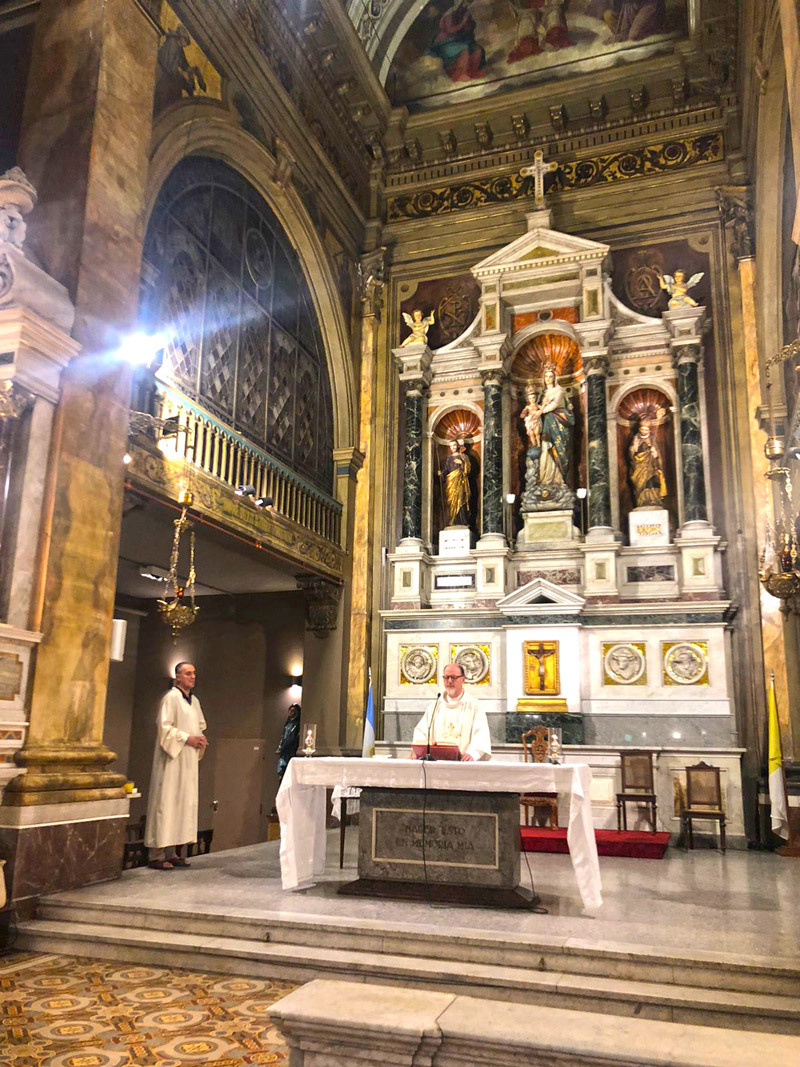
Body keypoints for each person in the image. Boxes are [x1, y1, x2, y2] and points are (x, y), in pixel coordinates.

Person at [144, 661, 208, 870]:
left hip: (187, 761)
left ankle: (172, 852)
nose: (193, 677)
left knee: (182, 802)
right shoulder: (170, 698)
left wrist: (200, 739)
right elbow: (165, 728)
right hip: (172, 761)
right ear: (177, 677)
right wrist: (188, 738)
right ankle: (156, 854)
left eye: (194, 673)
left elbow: (199, 726)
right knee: (167, 802)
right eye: (188, 673)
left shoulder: (194, 701)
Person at [412, 663, 491, 761]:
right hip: (437, 764)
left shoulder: (474, 705)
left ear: (463, 679)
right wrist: (419, 751)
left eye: (453, 677)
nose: (449, 681)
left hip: (464, 764)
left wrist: (472, 753)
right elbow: (421, 732)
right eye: (446, 677)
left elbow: (481, 734)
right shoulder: (435, 706)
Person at [628, 420, 667, 507]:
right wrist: (633, 450)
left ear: (649, 430)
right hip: (639, 467)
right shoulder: (636, 439)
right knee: (640, 484)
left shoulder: (652, 439)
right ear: (639, 429)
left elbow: (658, 455)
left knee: (652, 482)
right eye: (642, 429)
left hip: (651, 467)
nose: (644, 431)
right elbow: (631, 454)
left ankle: (654, 500)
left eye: (646, 430)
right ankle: (641, 502)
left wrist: (655, 453)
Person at [439, 438, 471, 526]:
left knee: (460, 499)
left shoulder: (464, 456)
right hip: (451, 482)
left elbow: (468, 470)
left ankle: (463, 521)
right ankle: (453, 520)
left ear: (458, 446)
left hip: (460, 481)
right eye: (451, 446)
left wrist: (462, 463)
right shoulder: (449, 458)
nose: (452, 447)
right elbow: (446, 470)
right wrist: (441, 474)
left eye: (454, 445)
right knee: (452, 501)